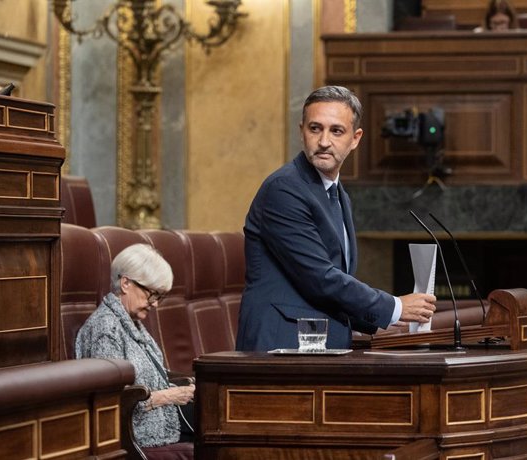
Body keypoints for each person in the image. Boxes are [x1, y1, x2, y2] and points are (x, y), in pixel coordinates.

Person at [236, 85, 437, 352]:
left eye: (336, 131)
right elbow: (320, 278)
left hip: (316, 345)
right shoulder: (284, 189)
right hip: (279, 348)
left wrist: (384, 320)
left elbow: (330, 283)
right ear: (302, 131)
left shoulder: (337, 194)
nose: (323, 141)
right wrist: (395, 307)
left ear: (355, 139)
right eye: (315, 128)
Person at [75, 244, 195, 458]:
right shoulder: (105, 328)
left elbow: (152, 376)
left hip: (162, 425)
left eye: (160, 297)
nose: (155, 304)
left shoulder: (132, 323)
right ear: (126, 283)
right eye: (152, 294)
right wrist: (169, 396)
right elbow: (112, 402)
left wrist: (184, 387)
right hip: (137, 436)